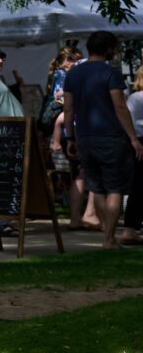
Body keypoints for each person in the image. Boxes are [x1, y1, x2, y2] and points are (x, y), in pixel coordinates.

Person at [61, 32, 143, 244]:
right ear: (108, 48)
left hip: (85, 136)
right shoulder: (111, 72)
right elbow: (119, 106)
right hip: (111, 136)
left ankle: (107, 234)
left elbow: (68, 109)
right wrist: (133, 138)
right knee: (114, 188)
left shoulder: (73, 74)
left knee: (96, 187)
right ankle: (109, 238)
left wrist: (70, 137)